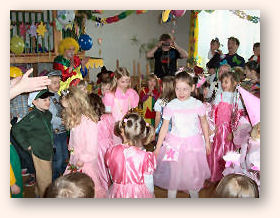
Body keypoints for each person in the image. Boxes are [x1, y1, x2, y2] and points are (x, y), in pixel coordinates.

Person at [153, 71, 211, 198]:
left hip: (193, 144)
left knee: (191, 174)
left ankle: (194, 196)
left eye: (185, 89)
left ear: (193, 88)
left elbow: (204, 123)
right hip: (173, 144)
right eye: (178, 89)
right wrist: (157, 147)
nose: (181, 92)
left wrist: (207, 142)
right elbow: (164, 127)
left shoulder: (197, 104)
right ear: (174, 88)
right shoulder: (171, 105)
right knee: (173, 173)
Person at [61, 87, 104, 198]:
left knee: (86, 187)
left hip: (86, 162)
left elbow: (91, 145)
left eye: (69, 108)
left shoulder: (88, 122)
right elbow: (74, 138)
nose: (67, 111)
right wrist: (71, 150)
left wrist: (82, 159)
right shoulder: (76, 118)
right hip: (75, 158)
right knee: (73, 186)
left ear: (76, 105)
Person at [12, 89, 55, 197]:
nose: (48, 102)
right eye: (44, 99)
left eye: (49, 99)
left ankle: (38, 193)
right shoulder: (33, 116)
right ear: (35, 102)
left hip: (47, 150)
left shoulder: (47, 114)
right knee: (45, 180)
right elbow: (16, 129)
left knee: (43, 177)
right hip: (39, 152)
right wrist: (27, 145)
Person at [105, 112, 156, 198]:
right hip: (138, 193)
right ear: (142, 132)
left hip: (117, 191)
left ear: (122, 131)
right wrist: (151, 194)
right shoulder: (145, 157)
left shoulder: (111, 151)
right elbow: (149, 183)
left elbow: (111, 174)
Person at [208, 71, 244, 183]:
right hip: (218, 130)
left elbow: (239, 118)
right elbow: (213, 113)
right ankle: (215, 174)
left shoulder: (237, 99)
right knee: (216, 150)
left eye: (226, 82)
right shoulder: (220, 96)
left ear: (234, 83)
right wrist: (212, 127)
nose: (223, 84)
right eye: (222, 82)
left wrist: (233, 133)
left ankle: (228, 175)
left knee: (228, 152)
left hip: (229, 131)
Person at [103, 67, 139, 144]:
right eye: (123, 81)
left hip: (129, 126)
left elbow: (134, 110)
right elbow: (107, 114)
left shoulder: (131, 94)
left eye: (127, 81)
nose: (126, 84)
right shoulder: (110, 95)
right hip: (115, 128)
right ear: (116, 80)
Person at [88, 93, 114, 198]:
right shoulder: (109, 117)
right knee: (108, 170)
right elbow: (113, 132)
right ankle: (108, 188)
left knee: (100, 170)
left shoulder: (89, 120)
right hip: (109, 146)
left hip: (97, 147)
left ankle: (104, 190)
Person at [47, 70, 69, 181]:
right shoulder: (47, 98)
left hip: (63, 132)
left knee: (65, 156)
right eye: (54, 83)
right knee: (58, 158)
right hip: (55, 133)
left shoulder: (58, 95)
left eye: (58, 82)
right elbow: (50, 117)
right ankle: (55, 180)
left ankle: (65, 178)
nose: (57, 85)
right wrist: (64, 121)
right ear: (47, 84)